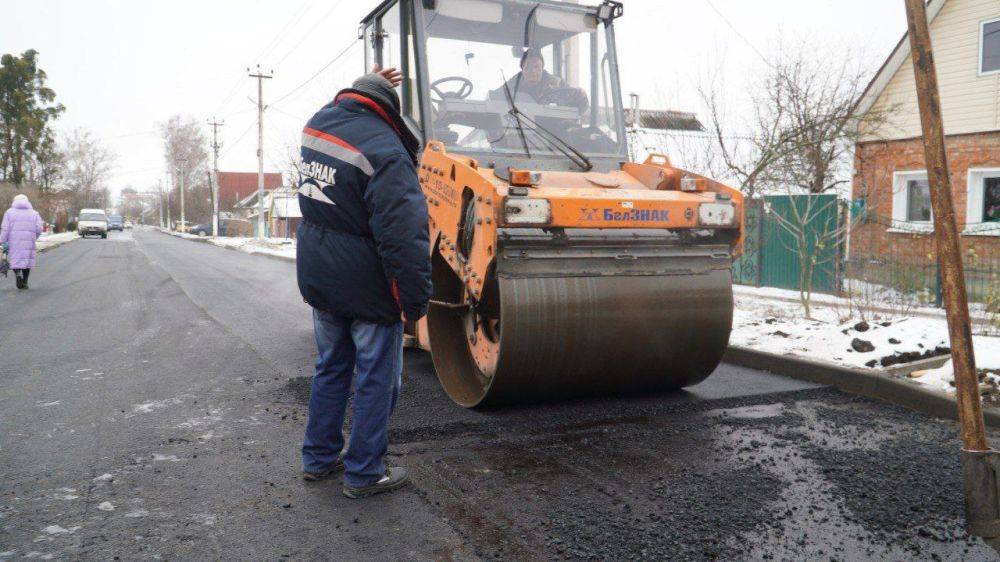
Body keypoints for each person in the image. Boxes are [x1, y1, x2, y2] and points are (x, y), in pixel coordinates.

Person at [295, 66, 431, 499]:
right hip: (368, 286)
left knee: (332, 367)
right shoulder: (386, 150)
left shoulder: (317, 125)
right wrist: (415, 302)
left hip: (321, 275)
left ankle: (318, 460)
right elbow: (404, 238)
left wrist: (366, 78)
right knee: (376, 378)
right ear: (389, 113)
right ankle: (365, 473)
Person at [490, 48, 588, 112]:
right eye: (528, 67)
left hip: (552, 134)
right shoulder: (514, 83)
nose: (532, 71)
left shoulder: (557, 84)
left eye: (536, 67)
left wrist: (581, 96)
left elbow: (580, 105)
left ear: (542, 68)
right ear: (522, 69)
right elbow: (494, 98)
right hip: (520, 133)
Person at [0, 194, 44, 290]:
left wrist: (2, 241)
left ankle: (18, 275)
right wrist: (34, 236)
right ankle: (25, 282)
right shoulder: (34, 213)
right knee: (27, 262)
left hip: (14, 241)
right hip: (29, 241)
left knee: (16, 259)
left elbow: (5, 229)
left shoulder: (9, 213)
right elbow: (40, 228)